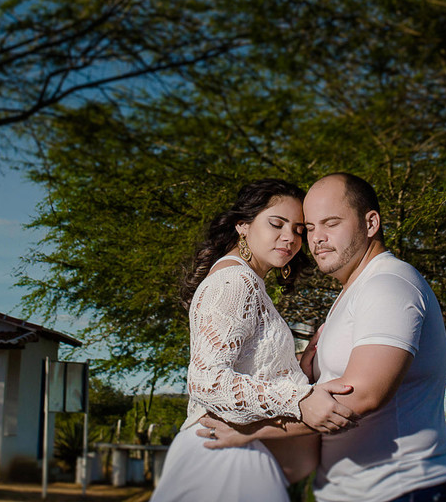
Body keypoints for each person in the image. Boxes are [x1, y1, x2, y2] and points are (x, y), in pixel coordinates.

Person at [201, 172, 446, 502]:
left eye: (331, 223)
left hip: (401, 490)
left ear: (371, 223)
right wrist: (302, 372)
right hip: (349, 491)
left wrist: (252, 428)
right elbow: (333, 385)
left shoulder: (389, 285)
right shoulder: (355, 290)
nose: (316, 238)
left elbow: (361, 396)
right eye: (309, 228)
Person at [151, 178, 355, 502]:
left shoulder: (250, 282)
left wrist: (297, 367)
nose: (290, 237)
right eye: (277, 223)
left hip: (236, 455)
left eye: (299, 230)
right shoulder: (235, 280)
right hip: (222, 461)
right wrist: (299, 399)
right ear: (242, 225)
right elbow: (206, 381)